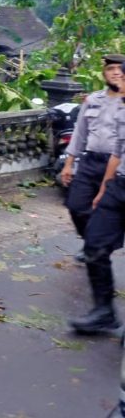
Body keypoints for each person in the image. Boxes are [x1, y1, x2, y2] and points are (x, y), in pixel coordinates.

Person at [69, 59, 125, 336]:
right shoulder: (107, 104)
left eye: (122, 74)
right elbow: (118, 150)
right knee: (94, 245)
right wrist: (106, 187)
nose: (117, 78)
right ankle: (104, 311)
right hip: (117, 182)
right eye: (114, 72)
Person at [60, 54, 125, 262]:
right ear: (104, 73)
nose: (115, 72)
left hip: (118, 166)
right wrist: (69, 164)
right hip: (91, 162)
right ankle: (93, 242)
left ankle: (99, 247)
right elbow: (79, 133)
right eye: (111, 68)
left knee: (109, 211)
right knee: (76, 205)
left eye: (119, 69)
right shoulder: (92, 100)